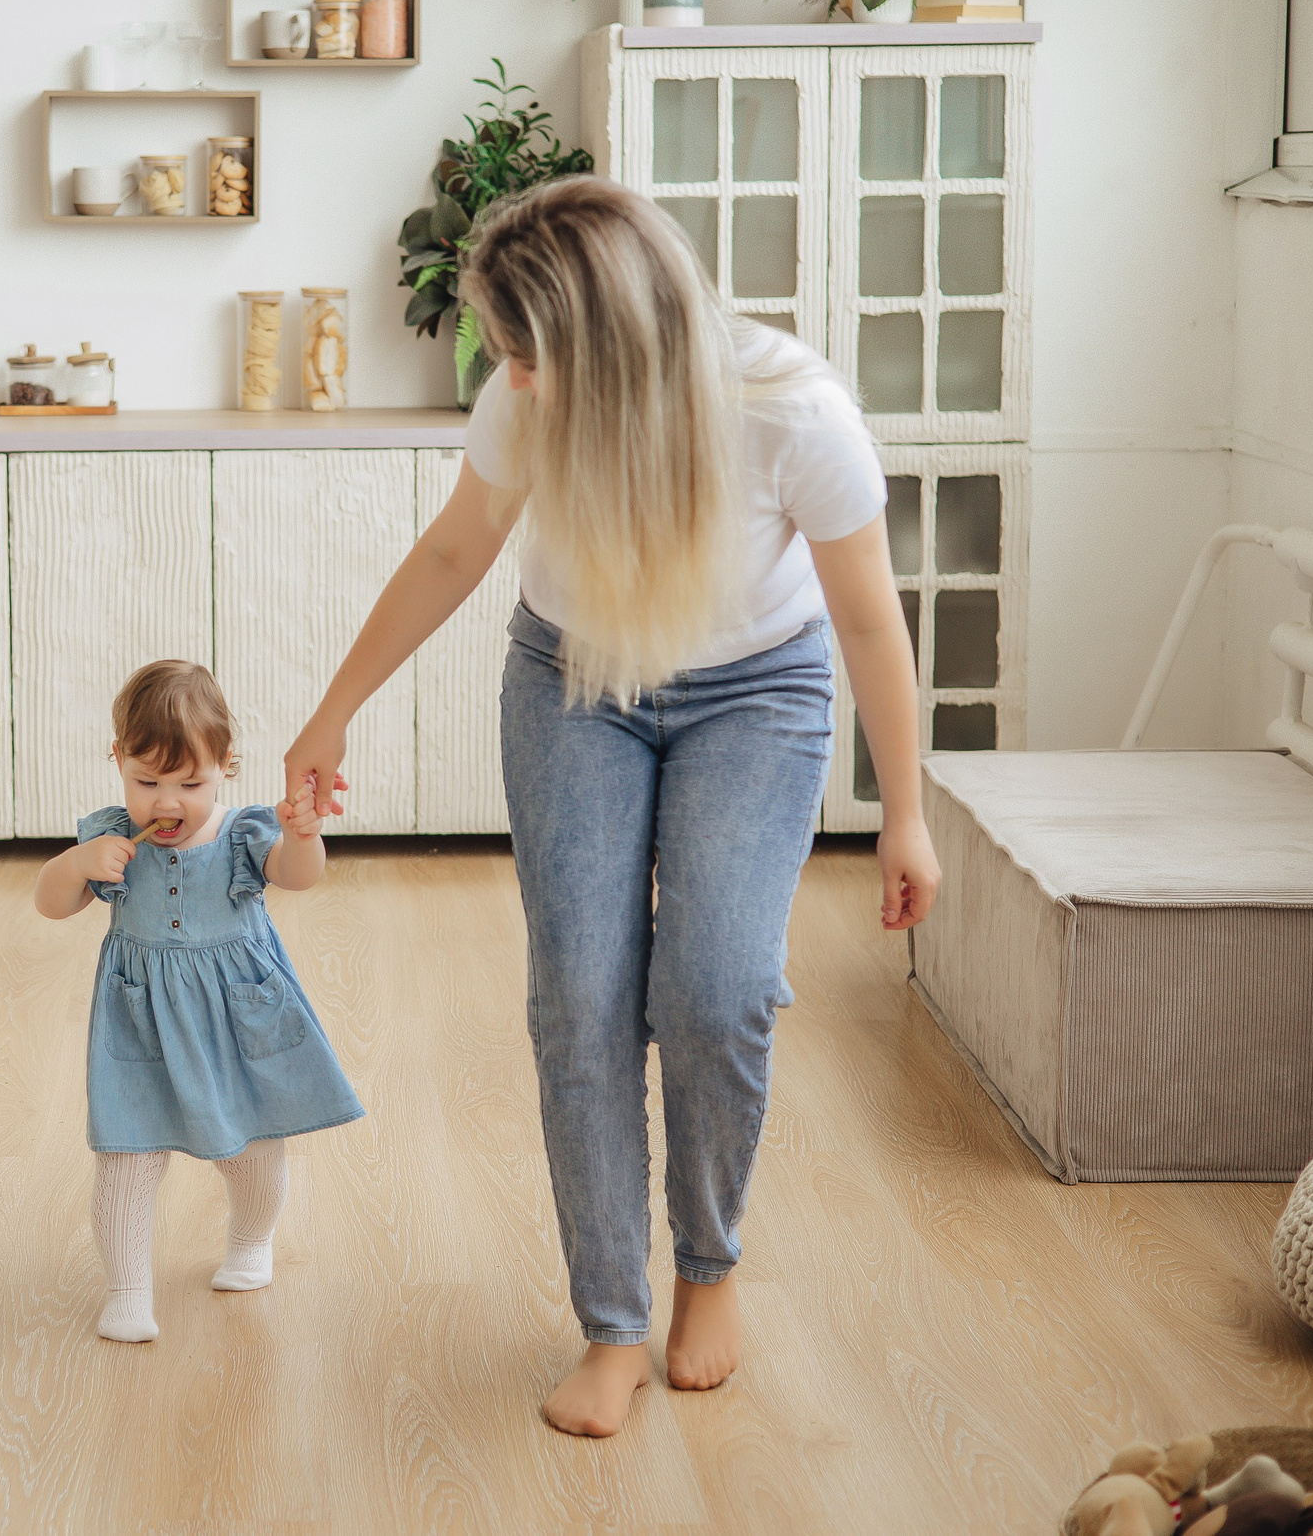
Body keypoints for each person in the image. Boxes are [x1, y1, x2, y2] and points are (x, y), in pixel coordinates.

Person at [281, 176, 941, 1437]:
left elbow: (865, 615)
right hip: (573, 682)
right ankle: (608, 1322)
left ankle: (708, 1271)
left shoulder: (790, 413)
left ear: (615, 344)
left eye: (527, 355)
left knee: (717, 986)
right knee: (578, 997)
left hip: (754, 696)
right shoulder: (523, 398)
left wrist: (903, 812)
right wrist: (333, 711)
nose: (510, 380)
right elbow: (452, 554)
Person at [34, 659, 366, 1344]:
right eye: (146, 780)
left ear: (225, 768)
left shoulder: (243, 834)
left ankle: (252, 1238)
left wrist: (303, 832)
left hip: (234, 1020)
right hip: (140, 1024)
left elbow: (298, 877)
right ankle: (127, 1290)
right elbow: (51, 903)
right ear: (118, 761)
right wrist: (75, 864)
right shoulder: (112, 838)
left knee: (250, 1149)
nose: (167, 802)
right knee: (126, 1157)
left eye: (191, 783)